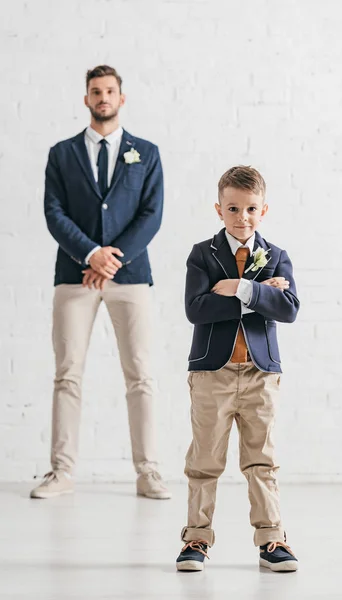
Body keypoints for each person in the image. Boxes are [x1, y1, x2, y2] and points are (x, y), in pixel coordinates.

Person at [31, 65, 170, 500]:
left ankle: (149, 472)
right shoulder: (62, 153)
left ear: (121, 98)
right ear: (86, 99)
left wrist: (113, 260)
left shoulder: (146, 153)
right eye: (96, 91)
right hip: (75, 276)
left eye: (110, 91)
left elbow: (152, 214)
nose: (103, 97)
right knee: (67, 375)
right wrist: (91, 254)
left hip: (131, 279)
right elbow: (54, 212)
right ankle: (61, 472)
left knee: (141, 375)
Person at [176, 165, 300, 571]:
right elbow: (197, 309)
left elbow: (289, 309)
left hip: (261, 374)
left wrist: (240, 287)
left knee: (261, 459)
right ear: (219, 209)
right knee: (204, 460)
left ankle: (272, 540)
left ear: (263, 210)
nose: (241, 217)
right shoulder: (203, 254)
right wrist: (262, 294)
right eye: (233, 208)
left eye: (250, 209)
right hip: (213, 372)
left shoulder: (276, 255)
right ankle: (196, 539)